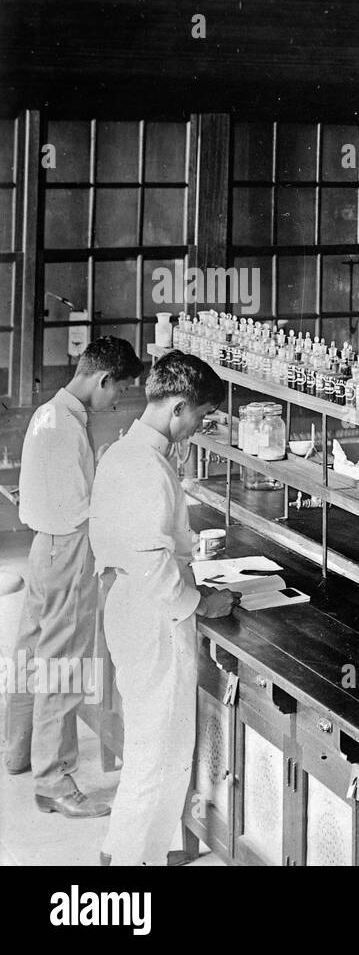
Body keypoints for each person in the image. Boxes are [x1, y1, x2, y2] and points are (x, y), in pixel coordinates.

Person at [90, 351, 238, 865]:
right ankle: (128, 863)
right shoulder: (145, 467)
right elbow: (153, 563)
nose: (200, 427)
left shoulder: (126, 452)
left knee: (154, 744)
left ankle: (137, 852)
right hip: (151, 615)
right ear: (178, 408)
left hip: (131, 606)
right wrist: (201, 603)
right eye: (200, 416)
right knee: (157, 751)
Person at [5, 337, 143, 818]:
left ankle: (18, 750)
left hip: (43, 545)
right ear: (103, 379)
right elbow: (80, 510)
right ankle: (54, 781)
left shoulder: (49, 414)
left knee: (30, 653)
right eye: (119, 390)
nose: (117, 400)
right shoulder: (66, 427)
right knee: (63, 666)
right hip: (67, 550)